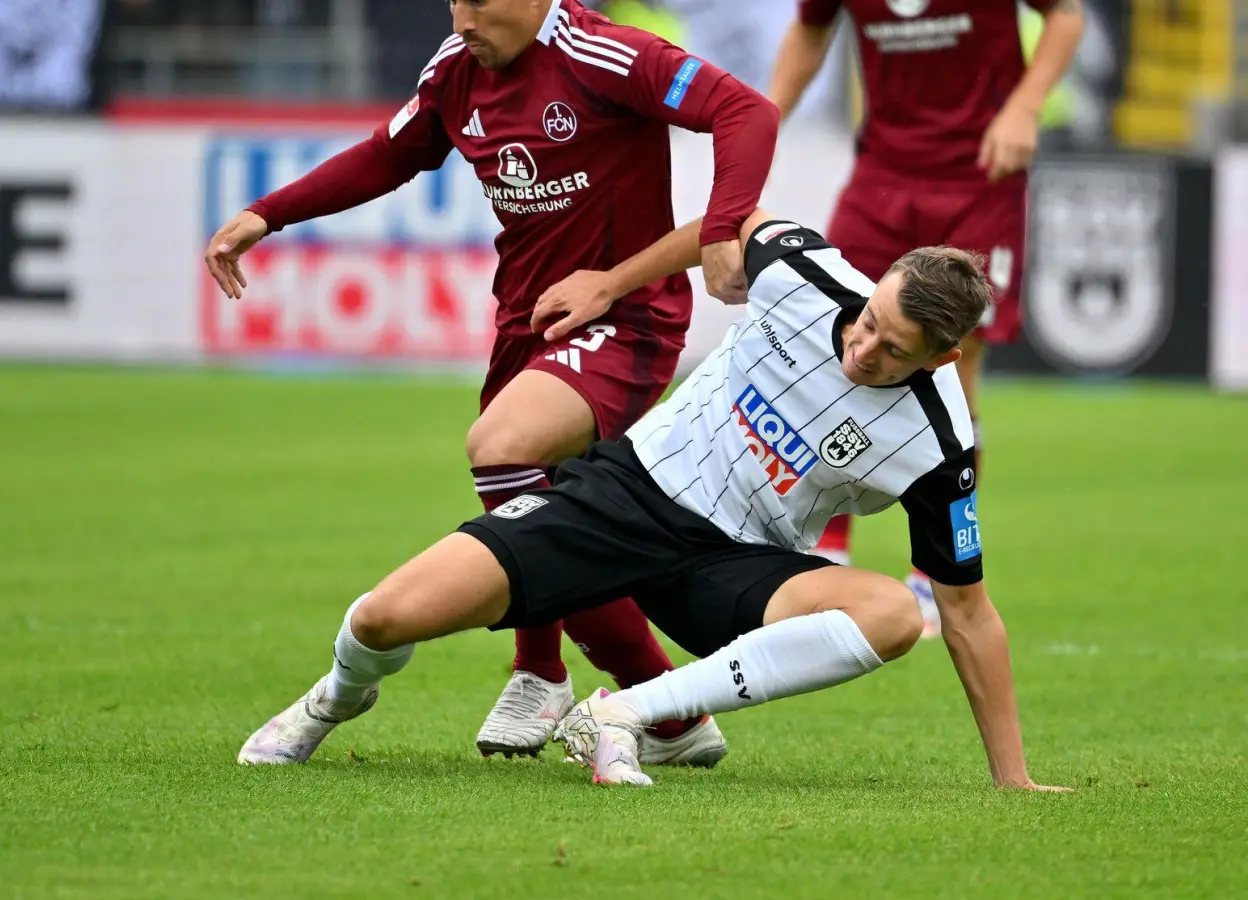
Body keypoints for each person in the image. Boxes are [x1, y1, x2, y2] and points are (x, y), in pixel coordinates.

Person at [237, 205, 1069, 794]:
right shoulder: (809, 272)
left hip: (735, 567)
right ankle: (332, 700)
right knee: (385, 617)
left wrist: (1014, 779)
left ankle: (626, 715)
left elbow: (966, 612)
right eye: (870, 320)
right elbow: (725, 224)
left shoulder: (940, 442)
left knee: (892, 615)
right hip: (625, 494)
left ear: (945, 356)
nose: (863, 347)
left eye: (893, 351)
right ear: (876, 281)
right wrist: (610, 283)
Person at [206, 0, 779, 762]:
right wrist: (265, 215)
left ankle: (559, 673)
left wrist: (718, 231)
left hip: (625, 319)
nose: (465, 15)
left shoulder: (601, 54)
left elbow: (746, 109)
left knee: (503, 447)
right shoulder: (455, 70)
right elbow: (388, 154)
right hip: (526, 325)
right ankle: (662, 714)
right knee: (543, 501)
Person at [768, 0, 1085, 634]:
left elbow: (1066, 14)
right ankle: (825, 550)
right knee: (842, 344)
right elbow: (811, 26)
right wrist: (764, 118)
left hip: (980, 174)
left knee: (956, 370)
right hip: (884, 169)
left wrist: (1025, 107)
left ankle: (935, 576)